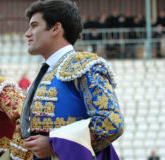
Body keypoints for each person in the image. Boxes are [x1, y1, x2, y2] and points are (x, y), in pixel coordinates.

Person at [20, 1, 124, 160]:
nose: (27, 33)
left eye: (34, 26)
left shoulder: (85, 66)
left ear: (55, 28)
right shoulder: (46, 72)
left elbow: (110, 122)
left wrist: (55, 144)